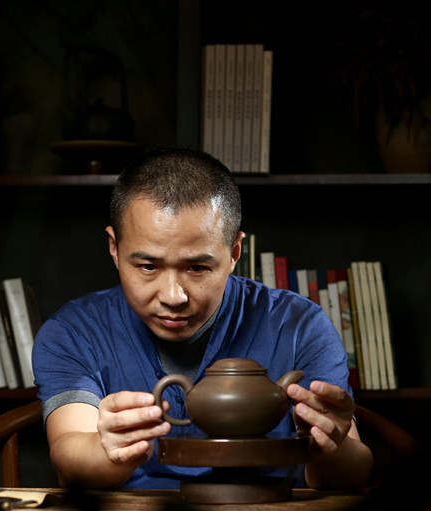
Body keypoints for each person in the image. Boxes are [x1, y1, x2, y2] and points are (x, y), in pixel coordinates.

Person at [32, 146, 373, 491]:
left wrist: (331, 449)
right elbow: (69, 460)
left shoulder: (300, 327)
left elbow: (352, 474)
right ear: (114, 248)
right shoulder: (73, 333)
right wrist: (110, 451)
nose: (173, 297)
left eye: (196, 268)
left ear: (234, 252)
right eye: (148, 266)